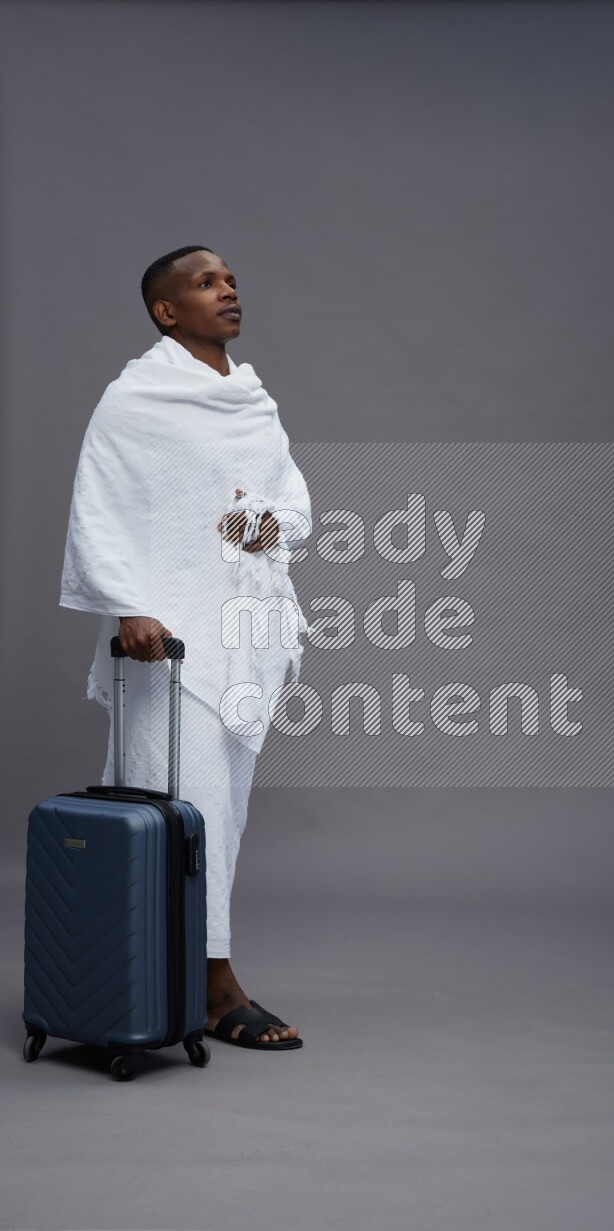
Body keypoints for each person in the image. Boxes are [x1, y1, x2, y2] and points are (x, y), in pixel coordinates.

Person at [59, 246, 311, 1049]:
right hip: (162, 640)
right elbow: (98, 504)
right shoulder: (134, 399)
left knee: (220, 814)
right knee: (179, 804)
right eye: (206, 283)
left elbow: (291, 502)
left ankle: (160, 971)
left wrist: (265, 523)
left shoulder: (252, 399)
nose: (228, 290)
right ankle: (211, 985)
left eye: (230, 280)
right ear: (166, 311)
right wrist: (127, 606)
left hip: (242, 633)